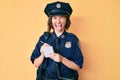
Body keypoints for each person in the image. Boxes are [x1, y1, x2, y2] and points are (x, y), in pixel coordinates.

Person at [30, 1, 84, 80]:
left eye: (61, 17)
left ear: (66, 20)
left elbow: (77, 66)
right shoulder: (44, 39)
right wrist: (42, 55)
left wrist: (62, 59)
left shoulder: (72, 39)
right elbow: (35, 64)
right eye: (54, 18)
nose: (58, 21)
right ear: (51, 21)